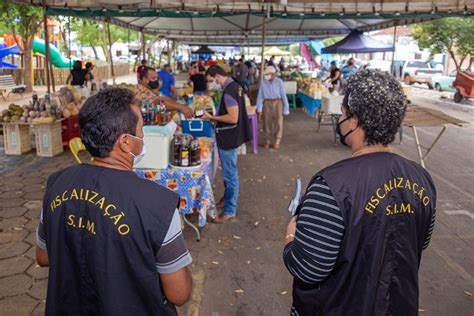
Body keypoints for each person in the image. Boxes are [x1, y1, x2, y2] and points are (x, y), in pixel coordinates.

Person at [283, 69, 436, 316]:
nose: (341, 120)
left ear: (353, 122)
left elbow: (308, 268)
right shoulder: (421, 178)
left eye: (343, 114)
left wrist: (291, 238)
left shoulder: (330, 185)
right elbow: (419, 241)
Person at [36, 88, 193, 315]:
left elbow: (44, 256)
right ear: (126, 142)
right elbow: (179, 293)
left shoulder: (56, 184)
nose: (144, 136)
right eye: (141, 129)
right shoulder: (159, 205)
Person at [202, 65, 251, 222]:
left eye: (211, 80)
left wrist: (212, 118)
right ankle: (226, 200)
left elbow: (232, 118)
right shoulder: (234, 86)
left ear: (216, 76)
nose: (211, 84)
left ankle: (230, 210)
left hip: (228, 136)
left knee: (230, 174)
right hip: (231, 135)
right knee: (229, 172)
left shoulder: (230, 90)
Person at [256, 66, 290, 149]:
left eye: (268, 74)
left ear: (273, 74)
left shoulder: (279, 82)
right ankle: (267, 140)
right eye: (266, 74)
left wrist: (286, 108)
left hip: (278, 102)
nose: (266, 76)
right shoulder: (263, 83)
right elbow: (260, 96)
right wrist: (259, 108)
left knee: (278, 122)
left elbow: (283, 95)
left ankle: (277, 140)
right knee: (266, 122)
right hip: (267, 103)